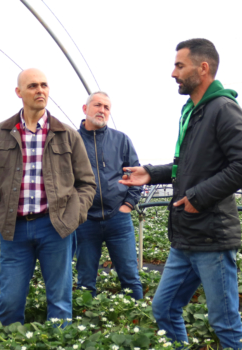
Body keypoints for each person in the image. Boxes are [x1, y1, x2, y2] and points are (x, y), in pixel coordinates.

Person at [120, 39, 242, 350]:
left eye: (180, 66)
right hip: (186, 237)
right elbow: (187, 166)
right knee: (164, 308)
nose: (173, 73)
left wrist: (200, 196)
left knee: (225, 324)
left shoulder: (224, 110)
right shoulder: (194, 112)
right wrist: (152, 173)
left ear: (203, 68)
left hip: (211, 238)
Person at [0, 68, 96, 326]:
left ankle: (59, 342)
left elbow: (86, 183)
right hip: (14, 228)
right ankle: (7, 342)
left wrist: (73, 217)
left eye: (44, 85)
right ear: (19, 93)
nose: (40, 90)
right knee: (9, 300)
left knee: (60, 301)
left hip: (55, 227)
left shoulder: (67, 134)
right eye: (32, 86)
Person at [74, 91, 143, 300]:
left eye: (106, 107)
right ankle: (87, 322)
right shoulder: (72, 141)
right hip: (85, 221)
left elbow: (135, 174)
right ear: (85, 109)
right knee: (85, 279)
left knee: (130, 276)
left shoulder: (121, 140)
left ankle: (139, 319)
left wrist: (128, 205)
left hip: (118, 219)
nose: (102, 110)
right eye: (97, 105)